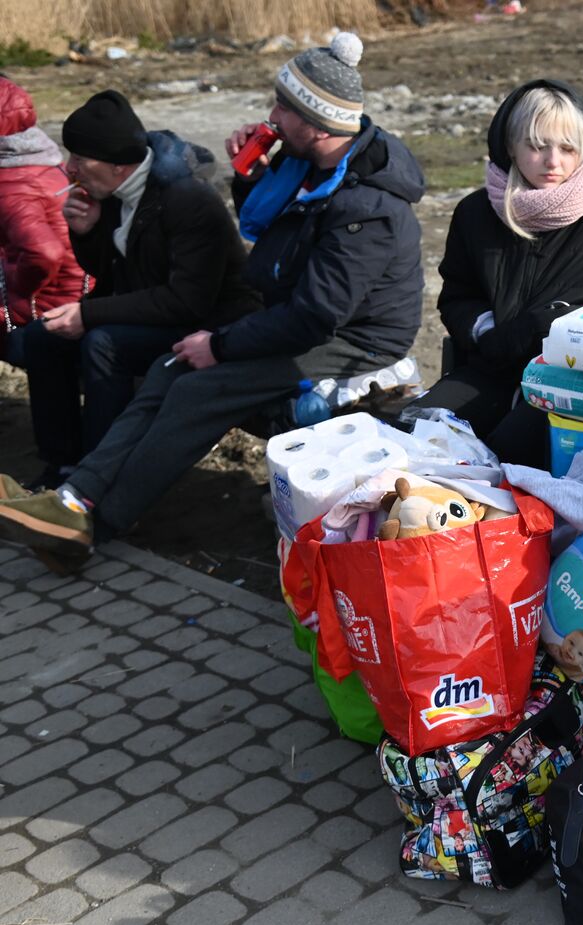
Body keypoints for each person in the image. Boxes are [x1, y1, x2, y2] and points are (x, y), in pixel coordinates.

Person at [0, 33, 426, 572]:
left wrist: (221, 345)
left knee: (198, 389)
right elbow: (271, 247)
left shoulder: (367, 208)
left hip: (355, 340)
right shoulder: (308, 168)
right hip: (294, 318)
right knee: (168, 366)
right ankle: (74, 497)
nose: (271, 116)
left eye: (283, 108)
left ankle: (94, 526)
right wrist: (251, 178)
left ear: (317, 124)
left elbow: (319, 314)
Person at [12, 89, 261, 489]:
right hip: (155, 312)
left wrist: (88, 315)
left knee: (103, 343)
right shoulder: (113, 192)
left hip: (210, 324)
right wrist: (87, 234)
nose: (69, 168)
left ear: (117, 165)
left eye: (79, 158)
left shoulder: (186, 200)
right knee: (44, 338)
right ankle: (61, 466)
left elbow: (187, 300)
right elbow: (111, 273)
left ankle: (97, 481)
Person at [410, 78, 583, 467]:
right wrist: (486, 330)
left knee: (506, 458)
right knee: (416, 436)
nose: (553, 162)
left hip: (581, 381)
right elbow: (459, 295)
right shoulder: (476, 213)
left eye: (567, 149)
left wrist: (559, 327)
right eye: (537, 146)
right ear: (509, 146)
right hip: (494, 365)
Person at [0, 77, 86, 363]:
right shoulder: (42, 158)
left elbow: (44, 253)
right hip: (74, 298)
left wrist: (11, 278)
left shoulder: (11, 184)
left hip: (46, 314)